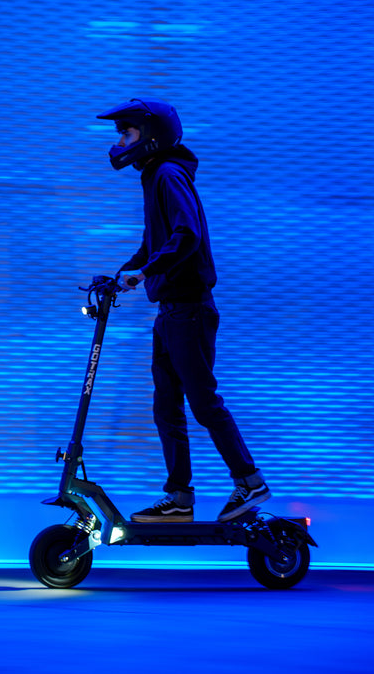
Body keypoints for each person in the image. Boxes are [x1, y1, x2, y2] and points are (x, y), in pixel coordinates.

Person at [96, 97, 271, 523]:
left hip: (189, 310)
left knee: (203, 403)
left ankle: (250, 482)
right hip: (171, 311)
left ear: (151, 136)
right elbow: (152, 243)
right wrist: (123, 273)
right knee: (167, 405)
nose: (121, 141)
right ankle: (179, 498)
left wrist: (145, 273)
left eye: (127, 132)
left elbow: (186, 235)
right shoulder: (156, 175)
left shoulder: (168, 174)